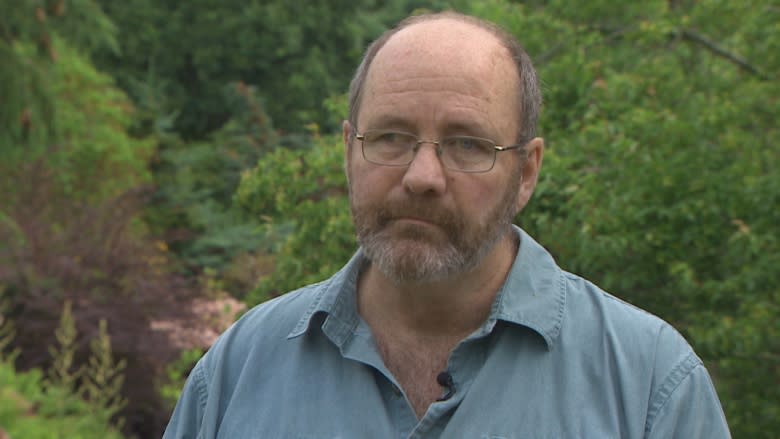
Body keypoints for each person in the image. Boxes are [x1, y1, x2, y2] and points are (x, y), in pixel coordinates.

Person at [164, 11, 731, 438]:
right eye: (390, 137)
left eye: (467, 144)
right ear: (347, 151)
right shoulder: (240, 370)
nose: (423, 176)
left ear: (526, 172)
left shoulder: (649, 383)